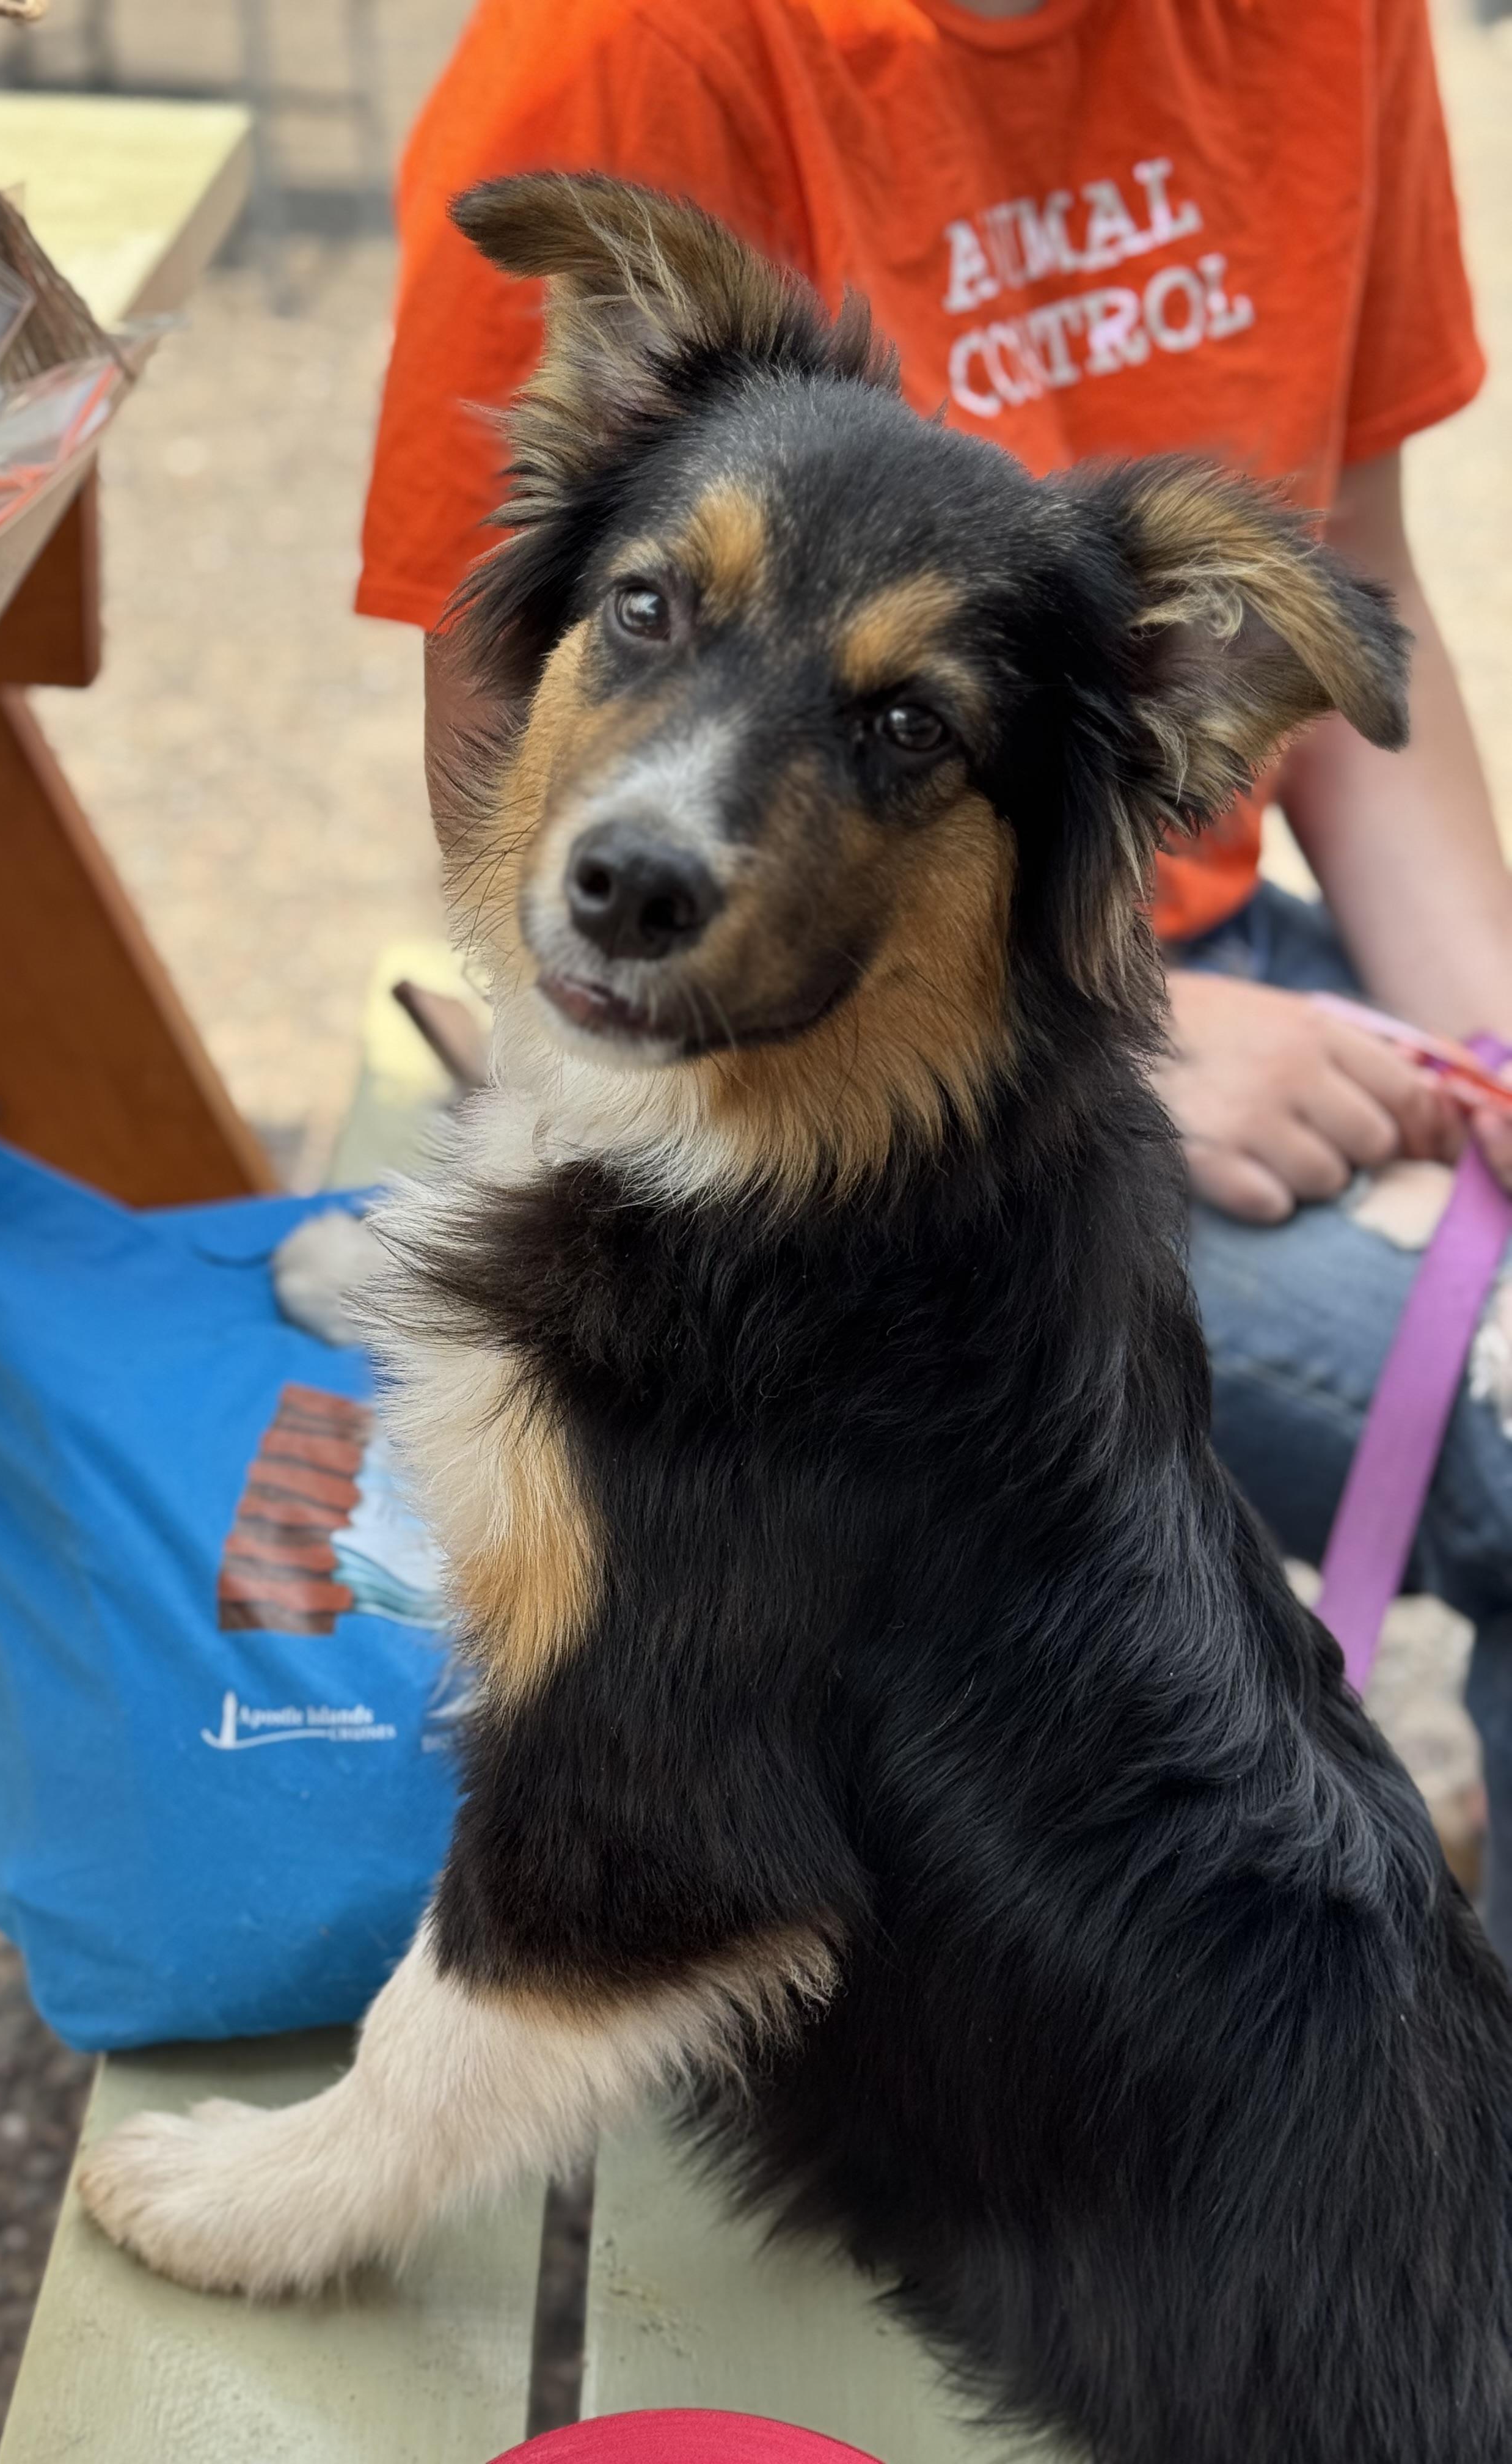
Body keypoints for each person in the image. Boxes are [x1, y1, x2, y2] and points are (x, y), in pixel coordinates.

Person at [353, 0, 1512, 1938]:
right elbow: (522, 773)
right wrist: (1110, 1047)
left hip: (1171, 967)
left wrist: (1490, 1059)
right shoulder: (628, 53)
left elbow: (1344, 593)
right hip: (873, 1089)